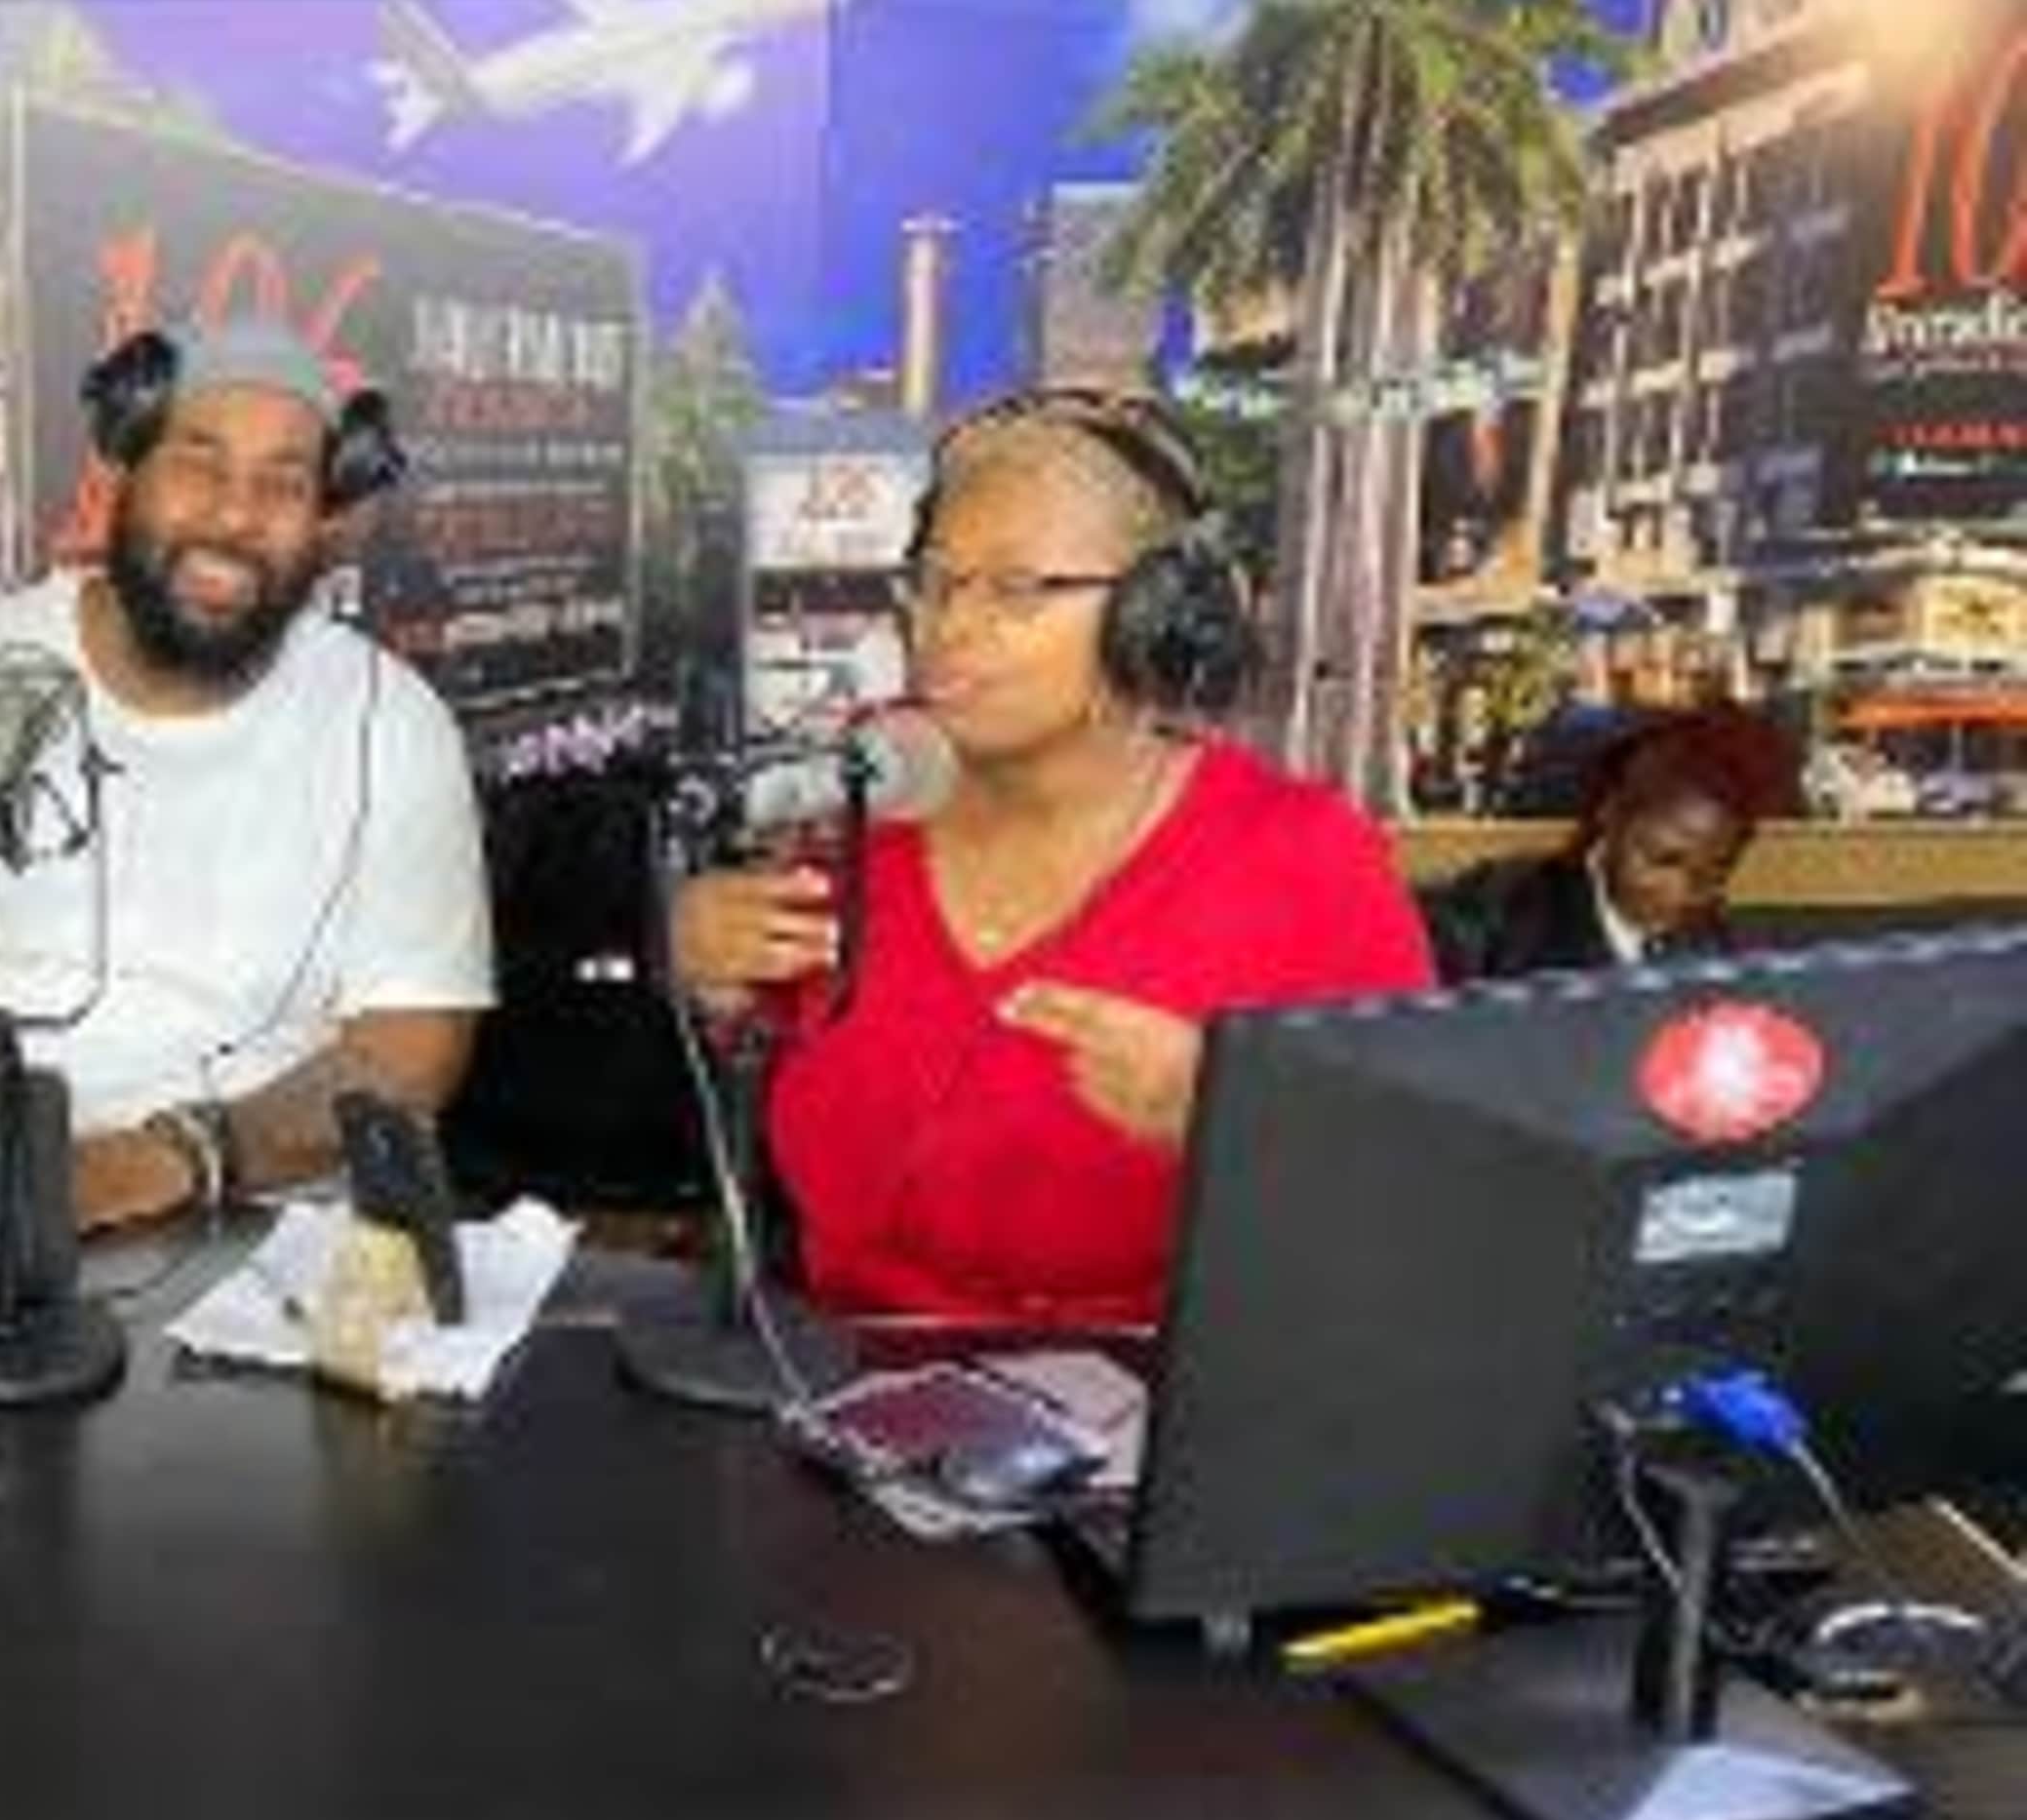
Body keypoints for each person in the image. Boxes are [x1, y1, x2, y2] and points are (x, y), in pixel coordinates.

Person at [666, 387, 1431, 1333]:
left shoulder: (1306, 861)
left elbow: (1408, 1206)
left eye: (1017, 588)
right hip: (841, 1387)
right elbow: (762, 1065)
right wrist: (714, 980)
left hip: (1164, 1406)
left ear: (1155, 615)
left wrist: (1242, 1130)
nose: (948, 625)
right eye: (936, 580)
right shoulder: (859, 798)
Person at [0, 320, 493, 1241]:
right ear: (122, 470)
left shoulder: (392, 728)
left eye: (284, 481)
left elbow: (409, 1051)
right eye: (200, 462)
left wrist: (174, 1157)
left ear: (327, 519)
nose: (235, 515)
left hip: (246, 1218)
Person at [1422, 704, 1798, 981]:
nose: (1681, 893)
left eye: (1712, 875)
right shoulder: (1489, 922)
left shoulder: (1720, 952)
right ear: (1611, 814)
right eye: (1662, 860)